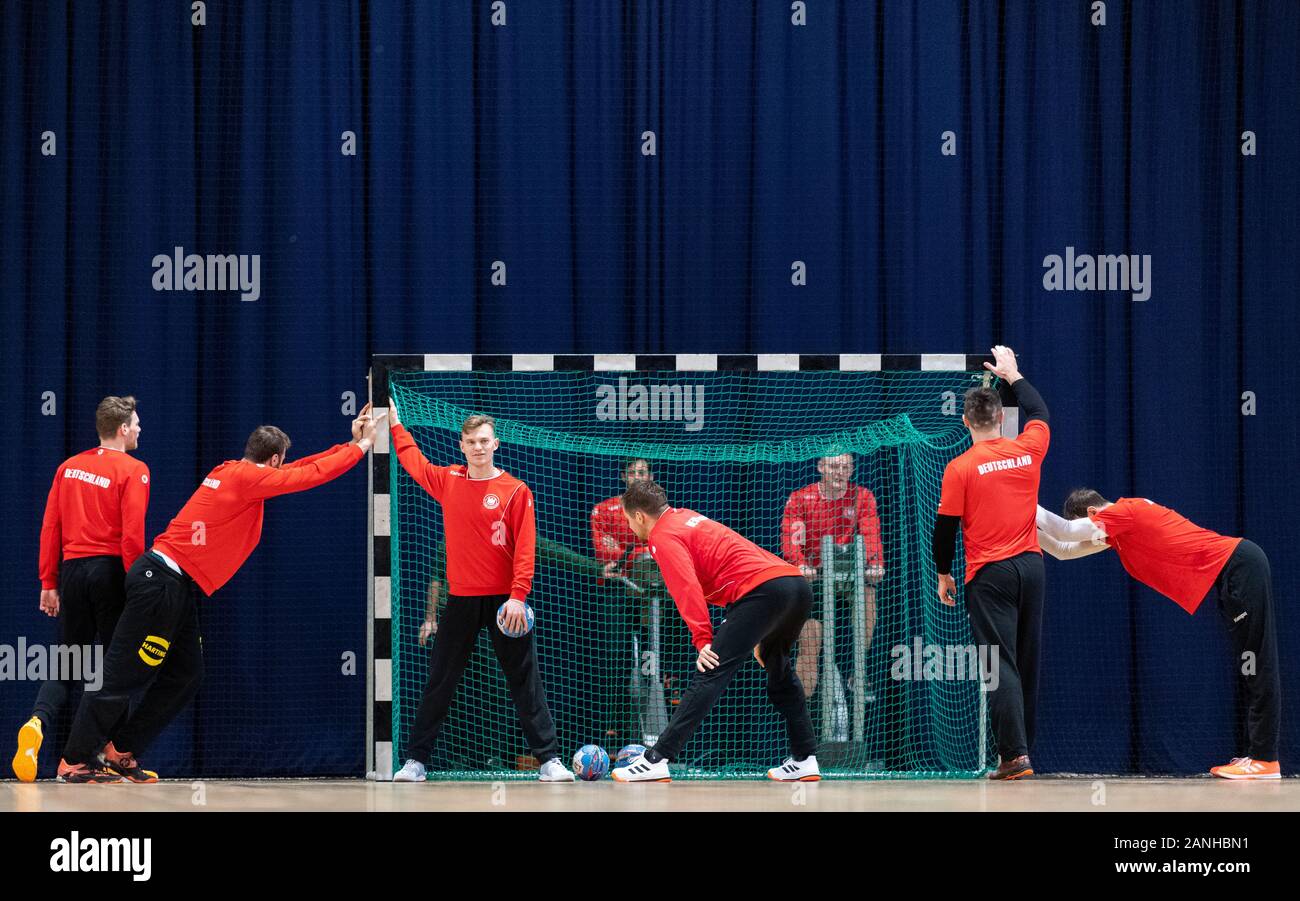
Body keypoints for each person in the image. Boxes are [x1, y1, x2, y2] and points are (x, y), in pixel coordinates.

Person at [56, 406, 378, 783]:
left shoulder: (233, 470)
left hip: (174, 584)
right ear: (272, 459)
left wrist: (351, 442)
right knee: (121, 675)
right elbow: (308, 476)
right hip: (159, 581)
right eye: (280, 463)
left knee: (186, 673)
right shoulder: (246, 478)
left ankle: (120, 751)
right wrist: (364, 447)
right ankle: (74, 760)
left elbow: (298, 469)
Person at [388, 400, 574, 783]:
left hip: (506, 603)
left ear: (496, 444)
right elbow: (414, 462)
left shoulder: (515, 490)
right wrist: (395, 425)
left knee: (525, 680)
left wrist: (519, 596)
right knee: (440, 680)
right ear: (461, 446)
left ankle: (549, 760)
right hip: (461, 600)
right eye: (471, 441)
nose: (477, 447)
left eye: (484, 440)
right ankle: (416, 761)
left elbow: (525, 547)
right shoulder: (448, 481)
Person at [1038, 492, 1281, 779]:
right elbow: (1064, 549)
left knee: (1257, 663)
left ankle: (1266, 760)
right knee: (1248, 665)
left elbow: (1063, 530)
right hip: (1234, 572)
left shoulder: (1123, 513)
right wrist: (1020, 522)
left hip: (1240, 567)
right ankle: (1257, 755)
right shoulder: (1121, 530)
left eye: (1086, 525)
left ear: (1093, 513)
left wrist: (1016, 493)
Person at [611, 480, 819, 783]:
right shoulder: (684, 516)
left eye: (629, 521)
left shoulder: (662, 535)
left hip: (762, 593)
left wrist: (702, 639)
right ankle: (805, 758)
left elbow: (686, 588)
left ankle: (656, 760)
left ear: (640, 516)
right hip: (795, 586)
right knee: (780, 671)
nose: (631, 528)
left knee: (710, 671)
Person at [13, 396, 149, 782]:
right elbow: (132, 535)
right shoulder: (135, 469)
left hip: (71, 572)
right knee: (116, 668)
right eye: (136, 423)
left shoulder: (68, 467)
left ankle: (38, 722)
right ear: (122, 429)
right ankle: (102, 752)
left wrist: (48, 582)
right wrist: (135, 582)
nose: (140, 429)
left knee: (67, 661)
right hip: (110, 572)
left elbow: (50, 527)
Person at [932, 345, 1048, 780]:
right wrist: (1013, 374)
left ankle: (1014, 757)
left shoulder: (960, 467)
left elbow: (944, 530)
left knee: (998, 665)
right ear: (1001, 419)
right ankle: (1022, 753)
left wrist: (943, 574)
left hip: (990, 574)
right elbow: (1039, 411)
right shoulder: (1029, 449)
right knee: (1026, 662)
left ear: (965, 423)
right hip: (1032, 569)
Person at [781, 453, 884, 721]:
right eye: (833, 467)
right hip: (814, 578)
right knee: (810, 642)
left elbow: (871, 534)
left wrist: (874, 564)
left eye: (845, 467)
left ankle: (857, 670)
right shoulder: (800, 498)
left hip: (848, 576)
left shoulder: (863, 497)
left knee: (868, 596)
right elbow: (791, 540)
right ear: (820, 468)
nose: (839, 473)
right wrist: (799, 564)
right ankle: (800, 716)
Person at [591, 459, 678, 746]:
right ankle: (613, 724)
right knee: (615, 657)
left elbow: (662, 546)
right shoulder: (604, 510)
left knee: (658, 655)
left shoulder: (662, 512)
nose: (638, 477)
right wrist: (636, 556)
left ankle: (661, 727)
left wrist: (642, 558)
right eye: (632, 473)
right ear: (623, 477)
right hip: (619, 591)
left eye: (643, 472)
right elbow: (607, 555)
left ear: (650, 477)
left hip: (654, 594)